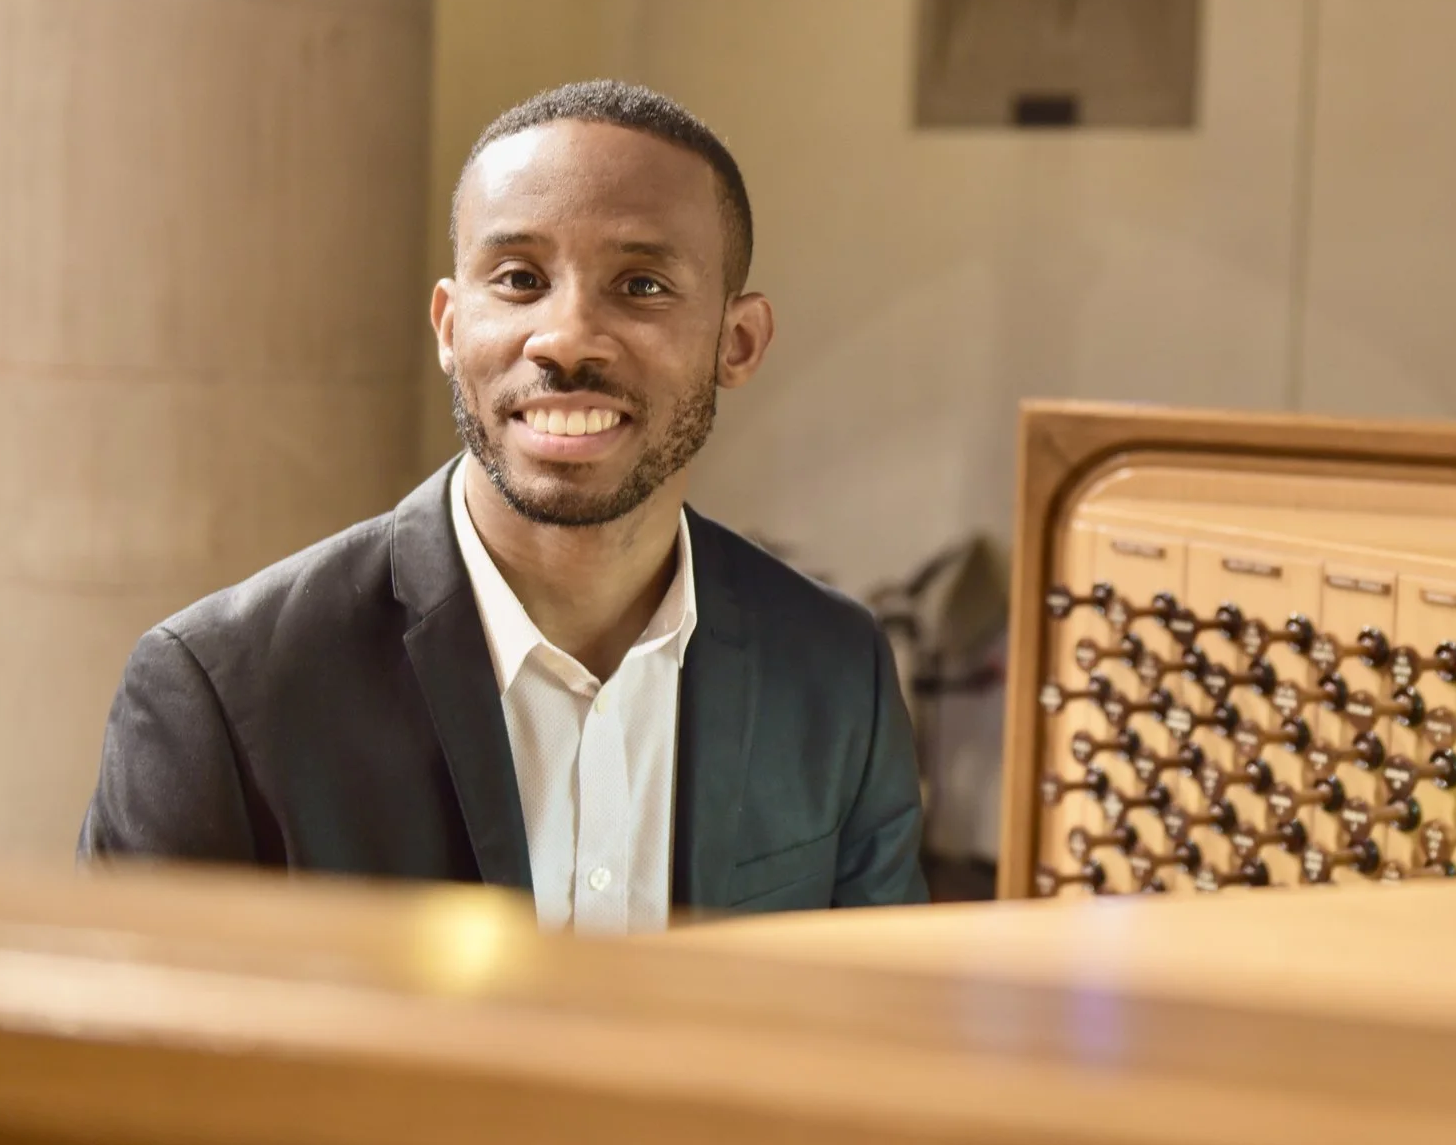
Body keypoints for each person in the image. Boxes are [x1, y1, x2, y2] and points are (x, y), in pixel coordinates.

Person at [79, 81, 926, 927]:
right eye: (520, 279)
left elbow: (874, 1003)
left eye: (641, 285)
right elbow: (124, 1016)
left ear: (737, 343)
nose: (567, 339)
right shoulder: (222, 691)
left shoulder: (837, 672)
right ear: (450, 328)